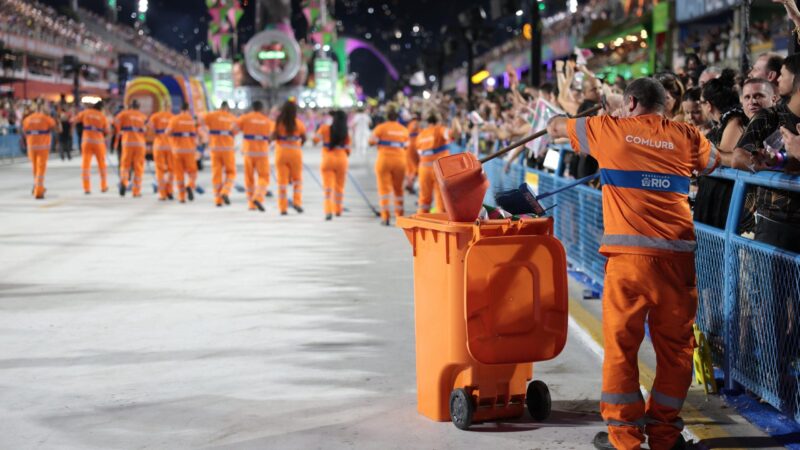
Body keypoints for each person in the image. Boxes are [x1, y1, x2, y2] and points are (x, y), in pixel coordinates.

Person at [547, 78, 719, 450]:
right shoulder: (685, 134)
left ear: (631, 102)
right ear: (664, 106)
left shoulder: (608, 129)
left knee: (621, 348)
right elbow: (713, 161)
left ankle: (625, 439)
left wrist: (571, 116)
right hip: (677, 263)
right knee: (675, 351)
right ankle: (664, 434)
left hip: (628, 265)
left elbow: (556, 128)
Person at [733, 53, 800, 253]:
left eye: (783, 74)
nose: (778, 79)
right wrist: (769, 162)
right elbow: (739, 157)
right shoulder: (770, 116)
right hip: (776, 222)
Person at [693, 69, 747, 228]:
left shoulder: (734, 121)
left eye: (700, 103)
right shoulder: (722, 123)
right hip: (712, 195)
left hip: (721, 199)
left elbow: (721, 156)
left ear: (708, 105)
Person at [369, 105, 409, 225]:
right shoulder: (403, 130)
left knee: (384, 190)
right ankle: (400, 217)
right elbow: (407, 146)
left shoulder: (380, 128)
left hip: (384, 161)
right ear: (397, 117)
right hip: (400, 161)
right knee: (398, 189)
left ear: (386, 116)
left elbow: (371, 142)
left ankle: (385, 217)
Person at [237, 100, 274, 212]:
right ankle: (258, 197)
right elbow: (272, 136)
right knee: (263, 177)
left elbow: (233, 129)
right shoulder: (267, 121)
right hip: (262, 153)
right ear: (261, 109)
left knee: (249, 178)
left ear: (252, 108)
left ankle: (251, 204)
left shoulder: (245, 118)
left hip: (248, 152)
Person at [314, 110, 351, 220]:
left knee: (328, 188)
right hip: (342, 161)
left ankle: (328, 211)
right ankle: (338, 210)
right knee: (339, 187)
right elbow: (348, 150)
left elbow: (315, 140)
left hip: (327, 161)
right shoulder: (345, 132)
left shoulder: (325, 128)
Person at [272, 100, 307, 215]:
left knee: (282, 182)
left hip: (281, 153)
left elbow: (272, 137)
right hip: (295, 153)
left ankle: (283, 208)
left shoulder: (278, 123)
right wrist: (297, 145)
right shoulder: (298, 123)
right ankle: (297, 203)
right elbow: (304, 138)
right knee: (297, 180)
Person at [202, 101, 239, 207]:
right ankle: (225, 192)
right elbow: (235, 132)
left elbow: (200, 120)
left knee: (216, 173)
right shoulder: (232, 118)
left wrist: (207, 132)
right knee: (231, 172)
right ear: (227, 108)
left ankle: (218, 200)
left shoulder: (212, 115)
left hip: (215, 149)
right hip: (227, 150)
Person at [414, 110, 450, 215]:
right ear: (438, 121)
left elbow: (418, 153)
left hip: (424, 170)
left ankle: (421, 222)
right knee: (441, 200)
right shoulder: (440, 130)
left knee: (424, 200)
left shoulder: (421, 135)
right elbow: (451, 134)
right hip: (439, 170)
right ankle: (440, 224)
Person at [72, 102, 110, 194]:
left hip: (87, 142)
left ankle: (86, 188)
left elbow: (74, 120)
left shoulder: (86, 112)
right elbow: (107, 131)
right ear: (101, 108)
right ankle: (104, 186)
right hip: (98, 143)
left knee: (85, 165)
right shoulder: (102, 116)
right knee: (102, 165)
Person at [21, 103, 58, 199]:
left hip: (31, 147)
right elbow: (56, 127)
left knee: (35, 169)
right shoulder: (46, 118)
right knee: (41, 170)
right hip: (43, 148)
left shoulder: (27, 119)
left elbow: (24, 132)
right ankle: (38, 192)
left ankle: (38, 186)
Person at [114, 100, 148, 197]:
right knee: (138, 167)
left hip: (127, 143)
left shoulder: (124, 114)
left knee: (125, 165)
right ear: (138, 107)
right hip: (139, 144)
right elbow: (146, 129)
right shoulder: (142, 116)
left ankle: (124, 183)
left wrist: (120, 129)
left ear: (130, 106)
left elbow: (115, 121)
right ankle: (136, 191)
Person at [166, 102, 199, 203]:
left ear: (180, 109)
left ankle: (181, 197)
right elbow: (195, 136)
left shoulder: (174, 119)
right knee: (192, 172)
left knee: (179, 174)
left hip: (177, 151)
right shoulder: (191, 120)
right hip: (189, 151)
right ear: (188, 109)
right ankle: (189, 185)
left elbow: (167, 132)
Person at [147, 108, 175, 201]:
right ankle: (169, 191)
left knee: (160, 169)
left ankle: (162, 194)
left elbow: (149, 128)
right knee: (171, 169)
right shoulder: (173, 117)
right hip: (170, 145)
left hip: (159, 145)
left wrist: (152, 139)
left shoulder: (155, 116)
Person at [404, 111, 421, 195]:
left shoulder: (409, 125)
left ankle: (409, 184)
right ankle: (411, 185)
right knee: (415, 168)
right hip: (417, 147)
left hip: (409, 148)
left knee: (410, 168)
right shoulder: (417, 124)